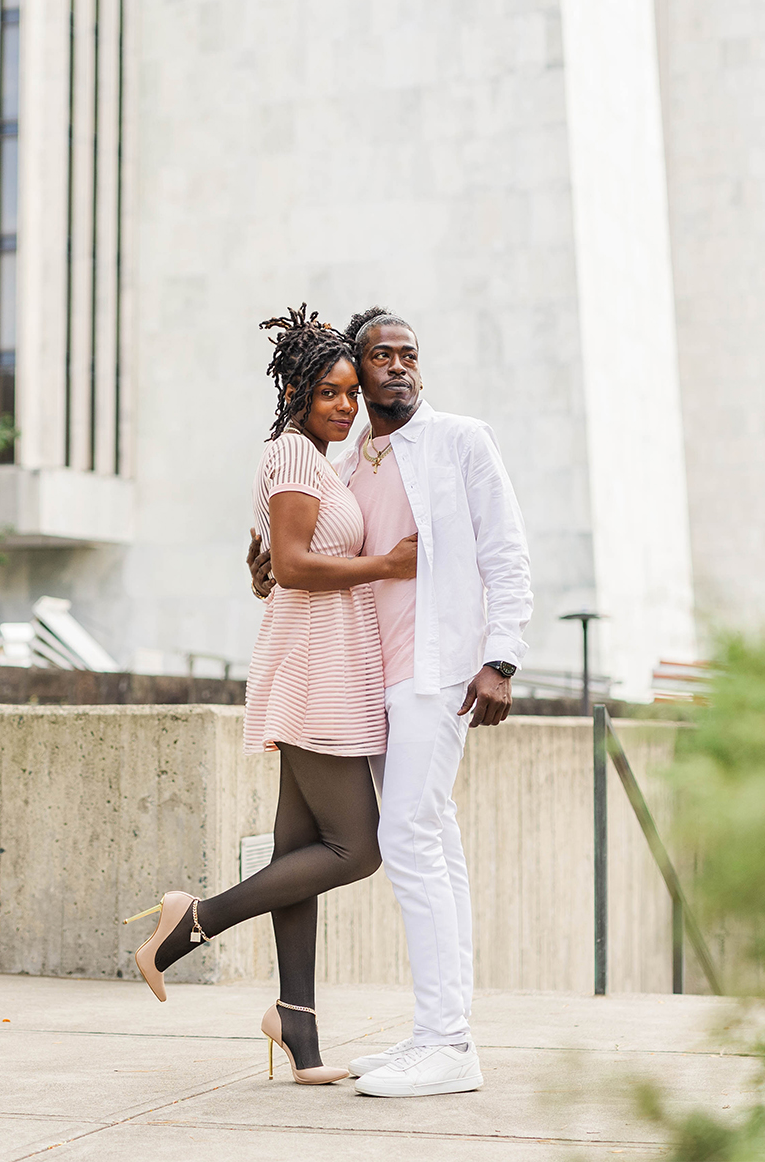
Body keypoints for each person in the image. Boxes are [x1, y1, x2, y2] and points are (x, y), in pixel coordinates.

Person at [127, 305, 418, 1085]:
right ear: (292, 390)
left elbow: (273, 566)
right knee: (357, 849)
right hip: (316, 670)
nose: (346, 405)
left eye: (351, 392)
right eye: (329, 392)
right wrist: (388, 565)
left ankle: (299, 1028)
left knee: (299, 855)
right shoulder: (294, 456)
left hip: (326, 660)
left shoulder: (323, 460)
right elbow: (290, 566)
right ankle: (194, 922)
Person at [248, 305, 532, 1098]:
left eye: (411, 353)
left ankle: (448, 1043)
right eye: (382, 356)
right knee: (432, 838)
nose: (399, 366)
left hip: (438, 674)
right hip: (371, 681)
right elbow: (314, 552)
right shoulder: (349, 463)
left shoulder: (460, 441)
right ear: (354, 371)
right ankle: (439, 1035)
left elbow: (506, 551)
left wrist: (501, 658)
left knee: (406, 834)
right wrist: (268, 561)